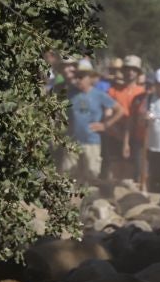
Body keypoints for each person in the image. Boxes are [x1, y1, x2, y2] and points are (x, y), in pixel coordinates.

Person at [60, 59, 115, 187]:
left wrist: (105, 125)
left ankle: (90, 199)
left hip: (92, 141)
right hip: (73, 141)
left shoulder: (99, 95)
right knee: (69, 175)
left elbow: (119, 110)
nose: (78, 80)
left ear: (90, 78)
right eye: (77, 76)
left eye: (82, 77)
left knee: (91, 175)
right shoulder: (70, 95)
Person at [102, 55, 144, 184]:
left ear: (138, 72)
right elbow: (107, 114)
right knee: (113, 171)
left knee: (132, 172)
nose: (130, 72)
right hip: (115, 134)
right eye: (127, 69)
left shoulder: (142, 92)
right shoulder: (113, 91)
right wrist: (117, 132)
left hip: (136, 137)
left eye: (134, 69)